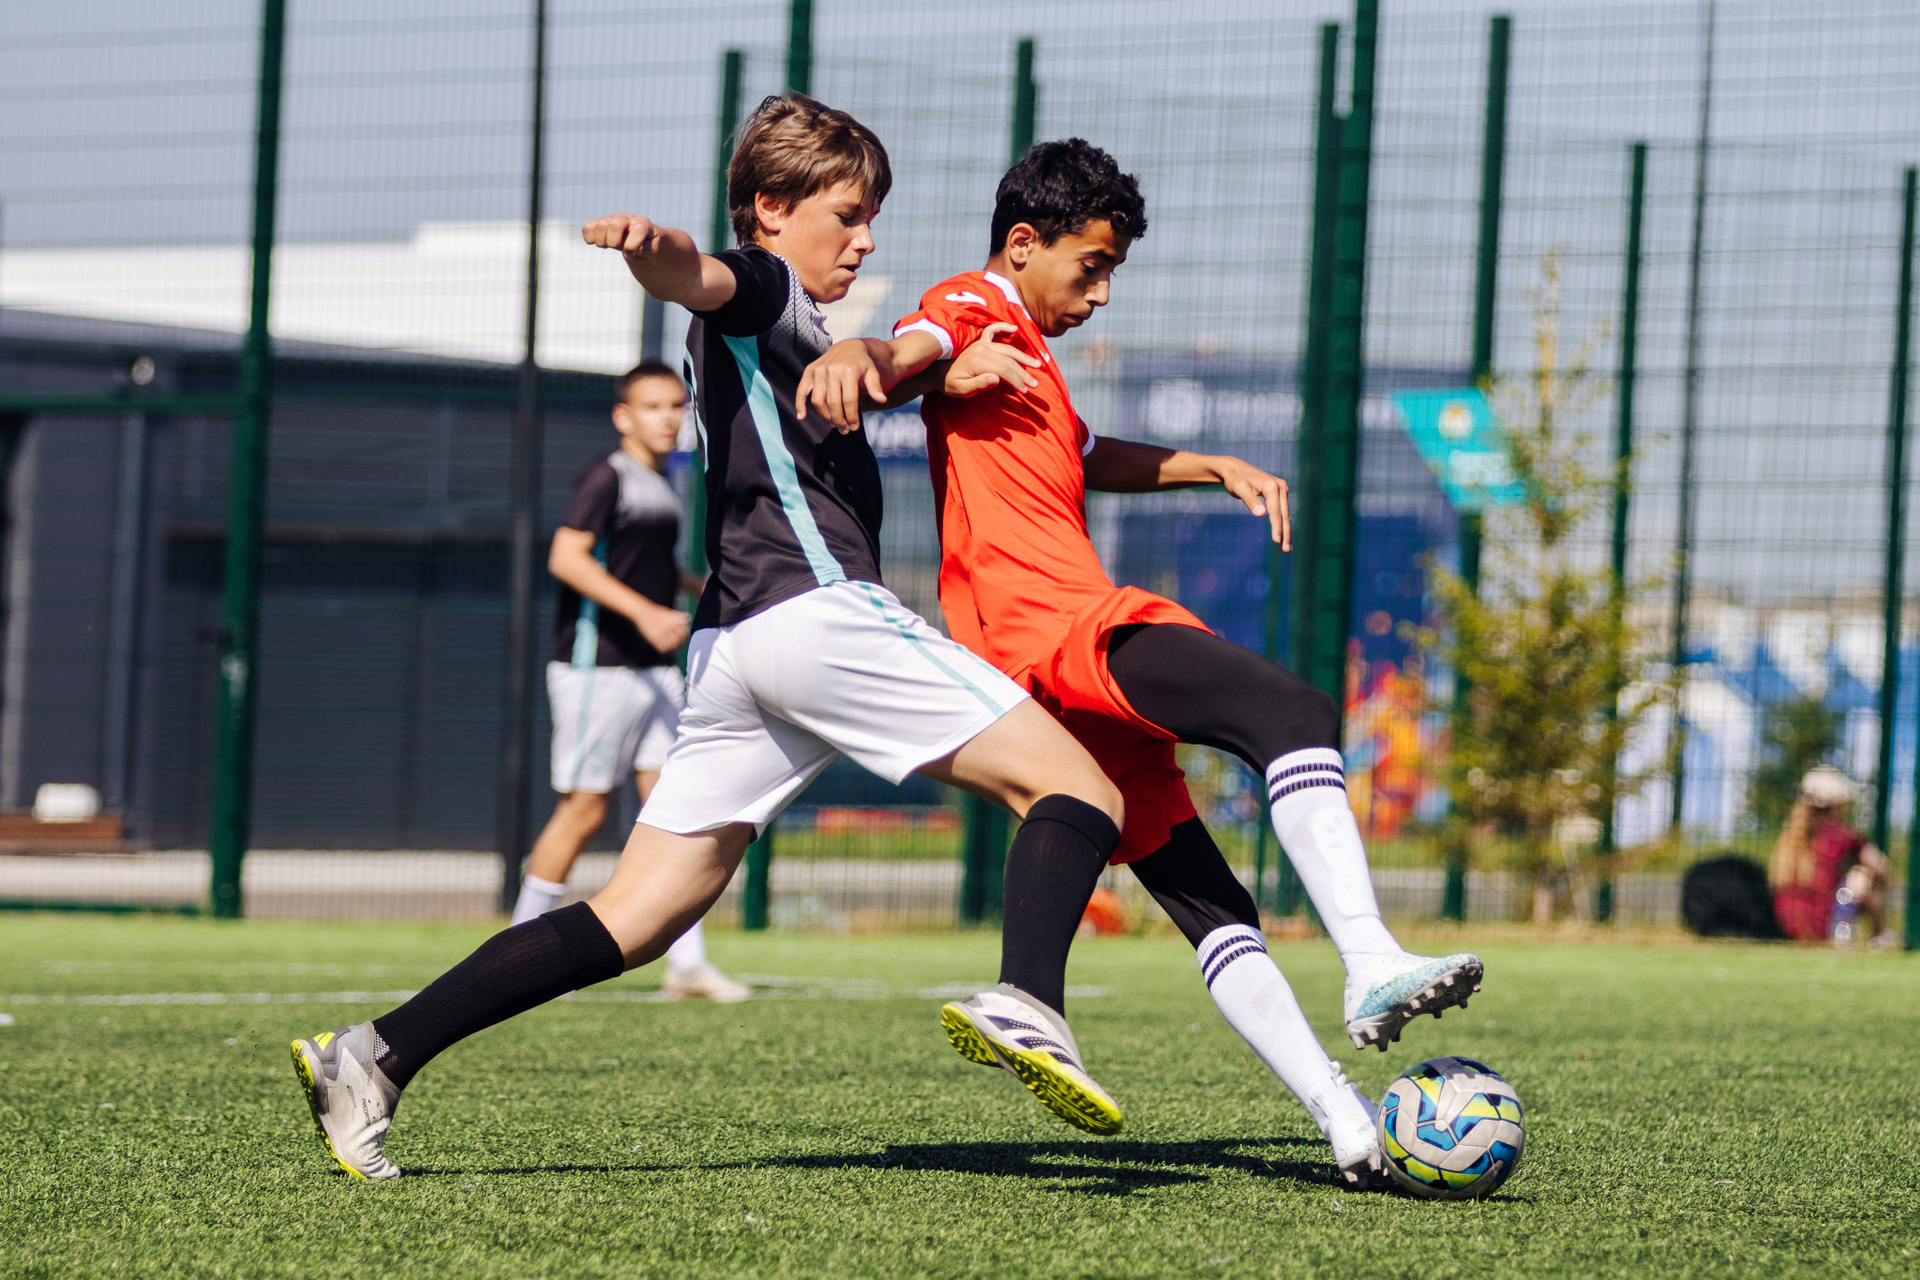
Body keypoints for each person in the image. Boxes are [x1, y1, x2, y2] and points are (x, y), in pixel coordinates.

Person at [288, 94, 1132, 1182]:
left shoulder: (797, 328)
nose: (866, 239)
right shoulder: (764, 282)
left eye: (872, 217)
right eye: (848, 214)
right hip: (817, 616)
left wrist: (931, 374)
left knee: (636, 917)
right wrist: (655, 250)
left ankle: (375, 1054)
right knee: (1080, 789)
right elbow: (700, 274)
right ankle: (1028, 1000)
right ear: (771, 209)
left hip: (735, 647)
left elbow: (820, 388)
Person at [797, 138, 1483, 1186]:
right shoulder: (977, 303)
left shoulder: (1027, 350)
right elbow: (913, 346)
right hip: (1056, 626)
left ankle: (1344, 1122)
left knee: (1207, 896)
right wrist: (866, 358)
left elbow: (1082, 455)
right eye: (1092, 266)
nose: (1103, 293)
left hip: (1037, 644)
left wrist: (1210, 464)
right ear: (1023, 244)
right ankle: (1371, 960)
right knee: (1293, 711)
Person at [509, 360, 749, 1004]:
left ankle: (687, 965)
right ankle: (515, 955)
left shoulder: (660, 481)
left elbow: (643, 563)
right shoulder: (607, 475)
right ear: (623, 416)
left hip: (652, 673)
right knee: (584, 809)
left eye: (676, 405)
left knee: (673, 811)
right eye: (652, 406)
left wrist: (693, 587)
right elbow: (567, 557)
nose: (668, 417)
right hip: (598, 670)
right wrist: (644, 611)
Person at [1768, 765, 1893, 944]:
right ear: (1838, 804)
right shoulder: (1842, 834)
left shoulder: (1788, 834)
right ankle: (1876, 937)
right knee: (1861, 876)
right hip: (1822, 930)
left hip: (1782, 929)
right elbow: (1882, 868)